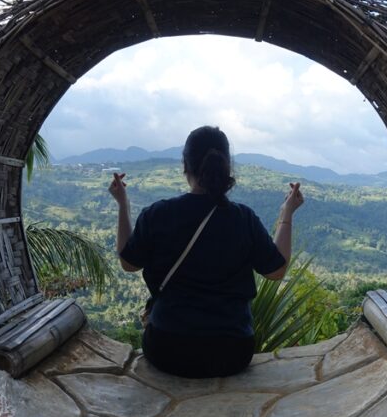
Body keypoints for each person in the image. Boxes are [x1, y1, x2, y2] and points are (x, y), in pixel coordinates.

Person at [108, 126, 304, 378]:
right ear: (227, 168)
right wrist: (287, 213)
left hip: (167, 349)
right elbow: (276, 271)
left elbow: (128, 263)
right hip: (231, 353)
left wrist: (122, 204)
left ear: (185, 166)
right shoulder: (243, 218)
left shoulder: (158, 214)